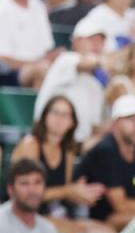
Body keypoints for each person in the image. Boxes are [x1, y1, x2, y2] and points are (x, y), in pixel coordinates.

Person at [12, 96, 109, 233]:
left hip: (56, 212)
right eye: (55, 113)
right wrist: (68, 191)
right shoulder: (31, 145)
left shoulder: (68, 151)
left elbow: (64, 191)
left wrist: (80, 194)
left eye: (65, 115)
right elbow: (26, 193)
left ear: (72, 122)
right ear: (45, 116)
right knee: (76, 232)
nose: (59, 119)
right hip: (27, 213)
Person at [79, 95, 135, 230]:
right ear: (115, 124)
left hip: (126, 215)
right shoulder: (105, 150)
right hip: (96, 218)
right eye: (130, 119)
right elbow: (120, 205)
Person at [33, 17, 108, 146]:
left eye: (100, 41)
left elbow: (94, 127)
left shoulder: (95, 85)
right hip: (47, 139)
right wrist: (107, 61)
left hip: (77, 144)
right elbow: (86, 63)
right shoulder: (65, 60)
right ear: (76, 42)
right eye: (91, 39)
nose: (96, 45)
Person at [0, 0, 56, 88]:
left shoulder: (38, 6)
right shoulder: (2, 7)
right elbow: (3, 59)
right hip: (10, 73)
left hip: (39, 65)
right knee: (42, 71)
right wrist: (36, 64)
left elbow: (47, 48)